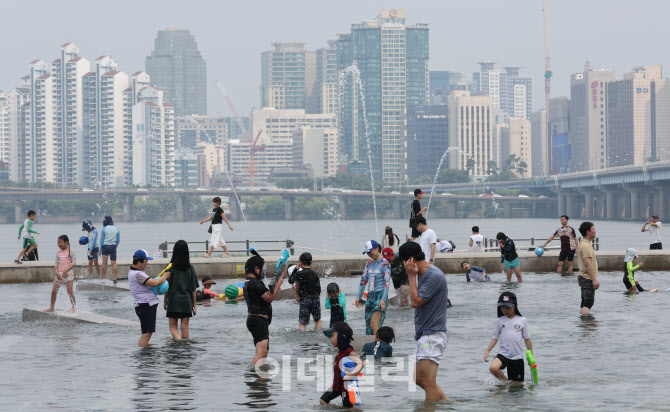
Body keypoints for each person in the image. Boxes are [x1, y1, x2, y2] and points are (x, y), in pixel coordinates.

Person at [399, 241, 449, 402]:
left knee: (428, 381)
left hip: (432, 335)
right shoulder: (424, 274)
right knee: (418, 379)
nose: (402, 265)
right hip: (425, 334)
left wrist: (411, 276)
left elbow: (415, 302)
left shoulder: (432, 275)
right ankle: (447, 404)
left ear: (410, 260)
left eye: (403, 261)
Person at [244, 248, 286, 366]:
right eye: (262, 269)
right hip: (258, 321)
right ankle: (253, 375)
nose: (263, 272)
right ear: (256, 269)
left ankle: (261, 381)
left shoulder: (248, 282)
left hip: (256, 320)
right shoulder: (255, 283)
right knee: (261, 353)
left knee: (263, 352)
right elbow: (269, 297)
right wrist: (279, 283)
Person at [484, 292, 533, 383]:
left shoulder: (522, 320)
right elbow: (495, 337)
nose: (505, 310)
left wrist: (531, 357)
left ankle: (510, 385)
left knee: (517, 388)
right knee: (493, 368)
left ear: (515, 306)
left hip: (517, 357)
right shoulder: (499, 320)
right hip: (503, 354)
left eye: (507, 307)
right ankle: (506, 383)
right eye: (502, 307)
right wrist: (488, 350)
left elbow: (527, 339)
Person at [128, 249, 170, 347]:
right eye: (146, 261)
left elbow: (150, 282)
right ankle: (143, 356)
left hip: (143, 304)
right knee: (146, 334)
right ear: (139, 261)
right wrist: (164, 276)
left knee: (148, 332)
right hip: (145, 305)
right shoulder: (138, 274)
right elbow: (155, 283)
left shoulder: (135, 272)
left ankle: (145, 356)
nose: (146, 264)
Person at [320, 322, 363, 407]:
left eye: (333, 336)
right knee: (323, 400)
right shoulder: (339, 352)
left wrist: (352, 374)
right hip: (336, 386)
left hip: (346, 388)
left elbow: (360, 364)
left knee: (347, 408)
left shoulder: (348, 351)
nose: (330, 339)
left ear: (342, 336)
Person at [164, 240, 199, 340]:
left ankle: (179, 343)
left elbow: (166, 287)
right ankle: (185, 350)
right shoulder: (190, 268)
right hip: (186, 301)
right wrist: (194, 305)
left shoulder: (170, 268)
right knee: (185, 327)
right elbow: (193, 289)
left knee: (173, 327)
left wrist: (164, 301)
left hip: (174, 300)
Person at [356, 240, 391, 335]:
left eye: (370, 251)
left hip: (380, 296)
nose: (369, 254)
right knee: (368, 328)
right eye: (367, 252)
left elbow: (387, 283)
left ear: (377, 249)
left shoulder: (385, 263)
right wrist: (358, 296)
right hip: (370, 296)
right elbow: (363, 280)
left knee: (374, 325)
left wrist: (383, 299)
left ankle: (379, 347)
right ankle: (372, 346)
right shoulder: (369, 263)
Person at [288, 252, 322, 330]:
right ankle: (318, 334)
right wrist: (316, 297)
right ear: (311, 262)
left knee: (302, 323)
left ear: (301, 262)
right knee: (317, 320)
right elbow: (318, 288)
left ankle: (302, 339)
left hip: (305, 299)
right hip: (315, 299)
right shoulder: (314, 274)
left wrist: (296, 269)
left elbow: (290, 280)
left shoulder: (300, 273)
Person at [44, 235, 77, 313]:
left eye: (60, 242)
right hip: (59, 275)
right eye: (58, 242)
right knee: (54, 291)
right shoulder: (58, 253)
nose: (58, 244)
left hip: (68, 274)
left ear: (66, 243)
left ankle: (73, 308)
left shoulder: (71, 251)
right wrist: (56, 272)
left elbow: (73, 262)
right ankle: (51, 307)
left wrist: (66, 270)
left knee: (70, 291)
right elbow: (56, 263)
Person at [577, 222, 599, 315]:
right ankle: (587, 325)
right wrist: (594, 279)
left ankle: (584, 326)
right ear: (588, 232)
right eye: (593, 229)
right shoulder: (585, 246)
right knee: (588, 302)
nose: (595, 231)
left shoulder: (583, 243)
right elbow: (588, 264)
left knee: (585, 302)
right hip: (587, 278)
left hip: (584, 277)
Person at [100, 215, 120, 283]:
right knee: (114, 263)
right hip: (113, 246)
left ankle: (103, 278)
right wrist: (115, 246)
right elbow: (118, 240)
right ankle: (114, 278)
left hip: (105, 246)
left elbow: (101, 240)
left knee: (104, 263)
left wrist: (100, 249)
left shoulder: (104, 229)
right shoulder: (116, 228)